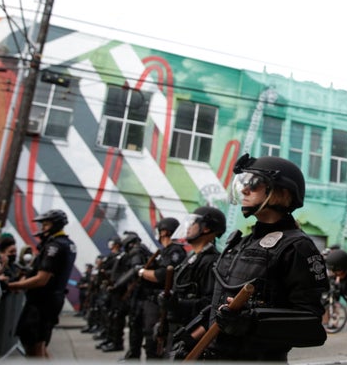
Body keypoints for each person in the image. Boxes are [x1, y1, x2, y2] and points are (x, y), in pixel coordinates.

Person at [175, 154, 329, 361]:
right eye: (244, 184)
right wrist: (191, 340)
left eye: (254, 184)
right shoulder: (239, 243)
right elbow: (219, 308)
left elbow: (311, 325)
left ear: (282, 192)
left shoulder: (297, 247)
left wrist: (251, 322)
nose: (245, 190)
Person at [8, 210, 77, 358]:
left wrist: (13, 286)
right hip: (51, 300)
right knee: (40, 346)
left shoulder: (55, 246)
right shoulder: (67, 244)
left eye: (46, 224)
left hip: (42, 302)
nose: (43, 228)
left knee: (34, 346)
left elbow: (42, 279)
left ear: (56, 225)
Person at [166, 206, 225, 358]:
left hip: (192, 333)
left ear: (205, 229)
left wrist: (179, 304)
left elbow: (211, 305)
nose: (188, 227)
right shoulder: (193, 257)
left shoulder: (211, 261)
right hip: (178, 327)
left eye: (193, 223)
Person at [126, 217, 186, 360]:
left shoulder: (175, 251)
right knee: (146, 335)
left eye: (159, 231)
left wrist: (140, 272)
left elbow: (161, 275)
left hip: (159, 303)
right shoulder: (163, 251)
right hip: (149, 301)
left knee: (154, 339)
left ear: (164, 231)